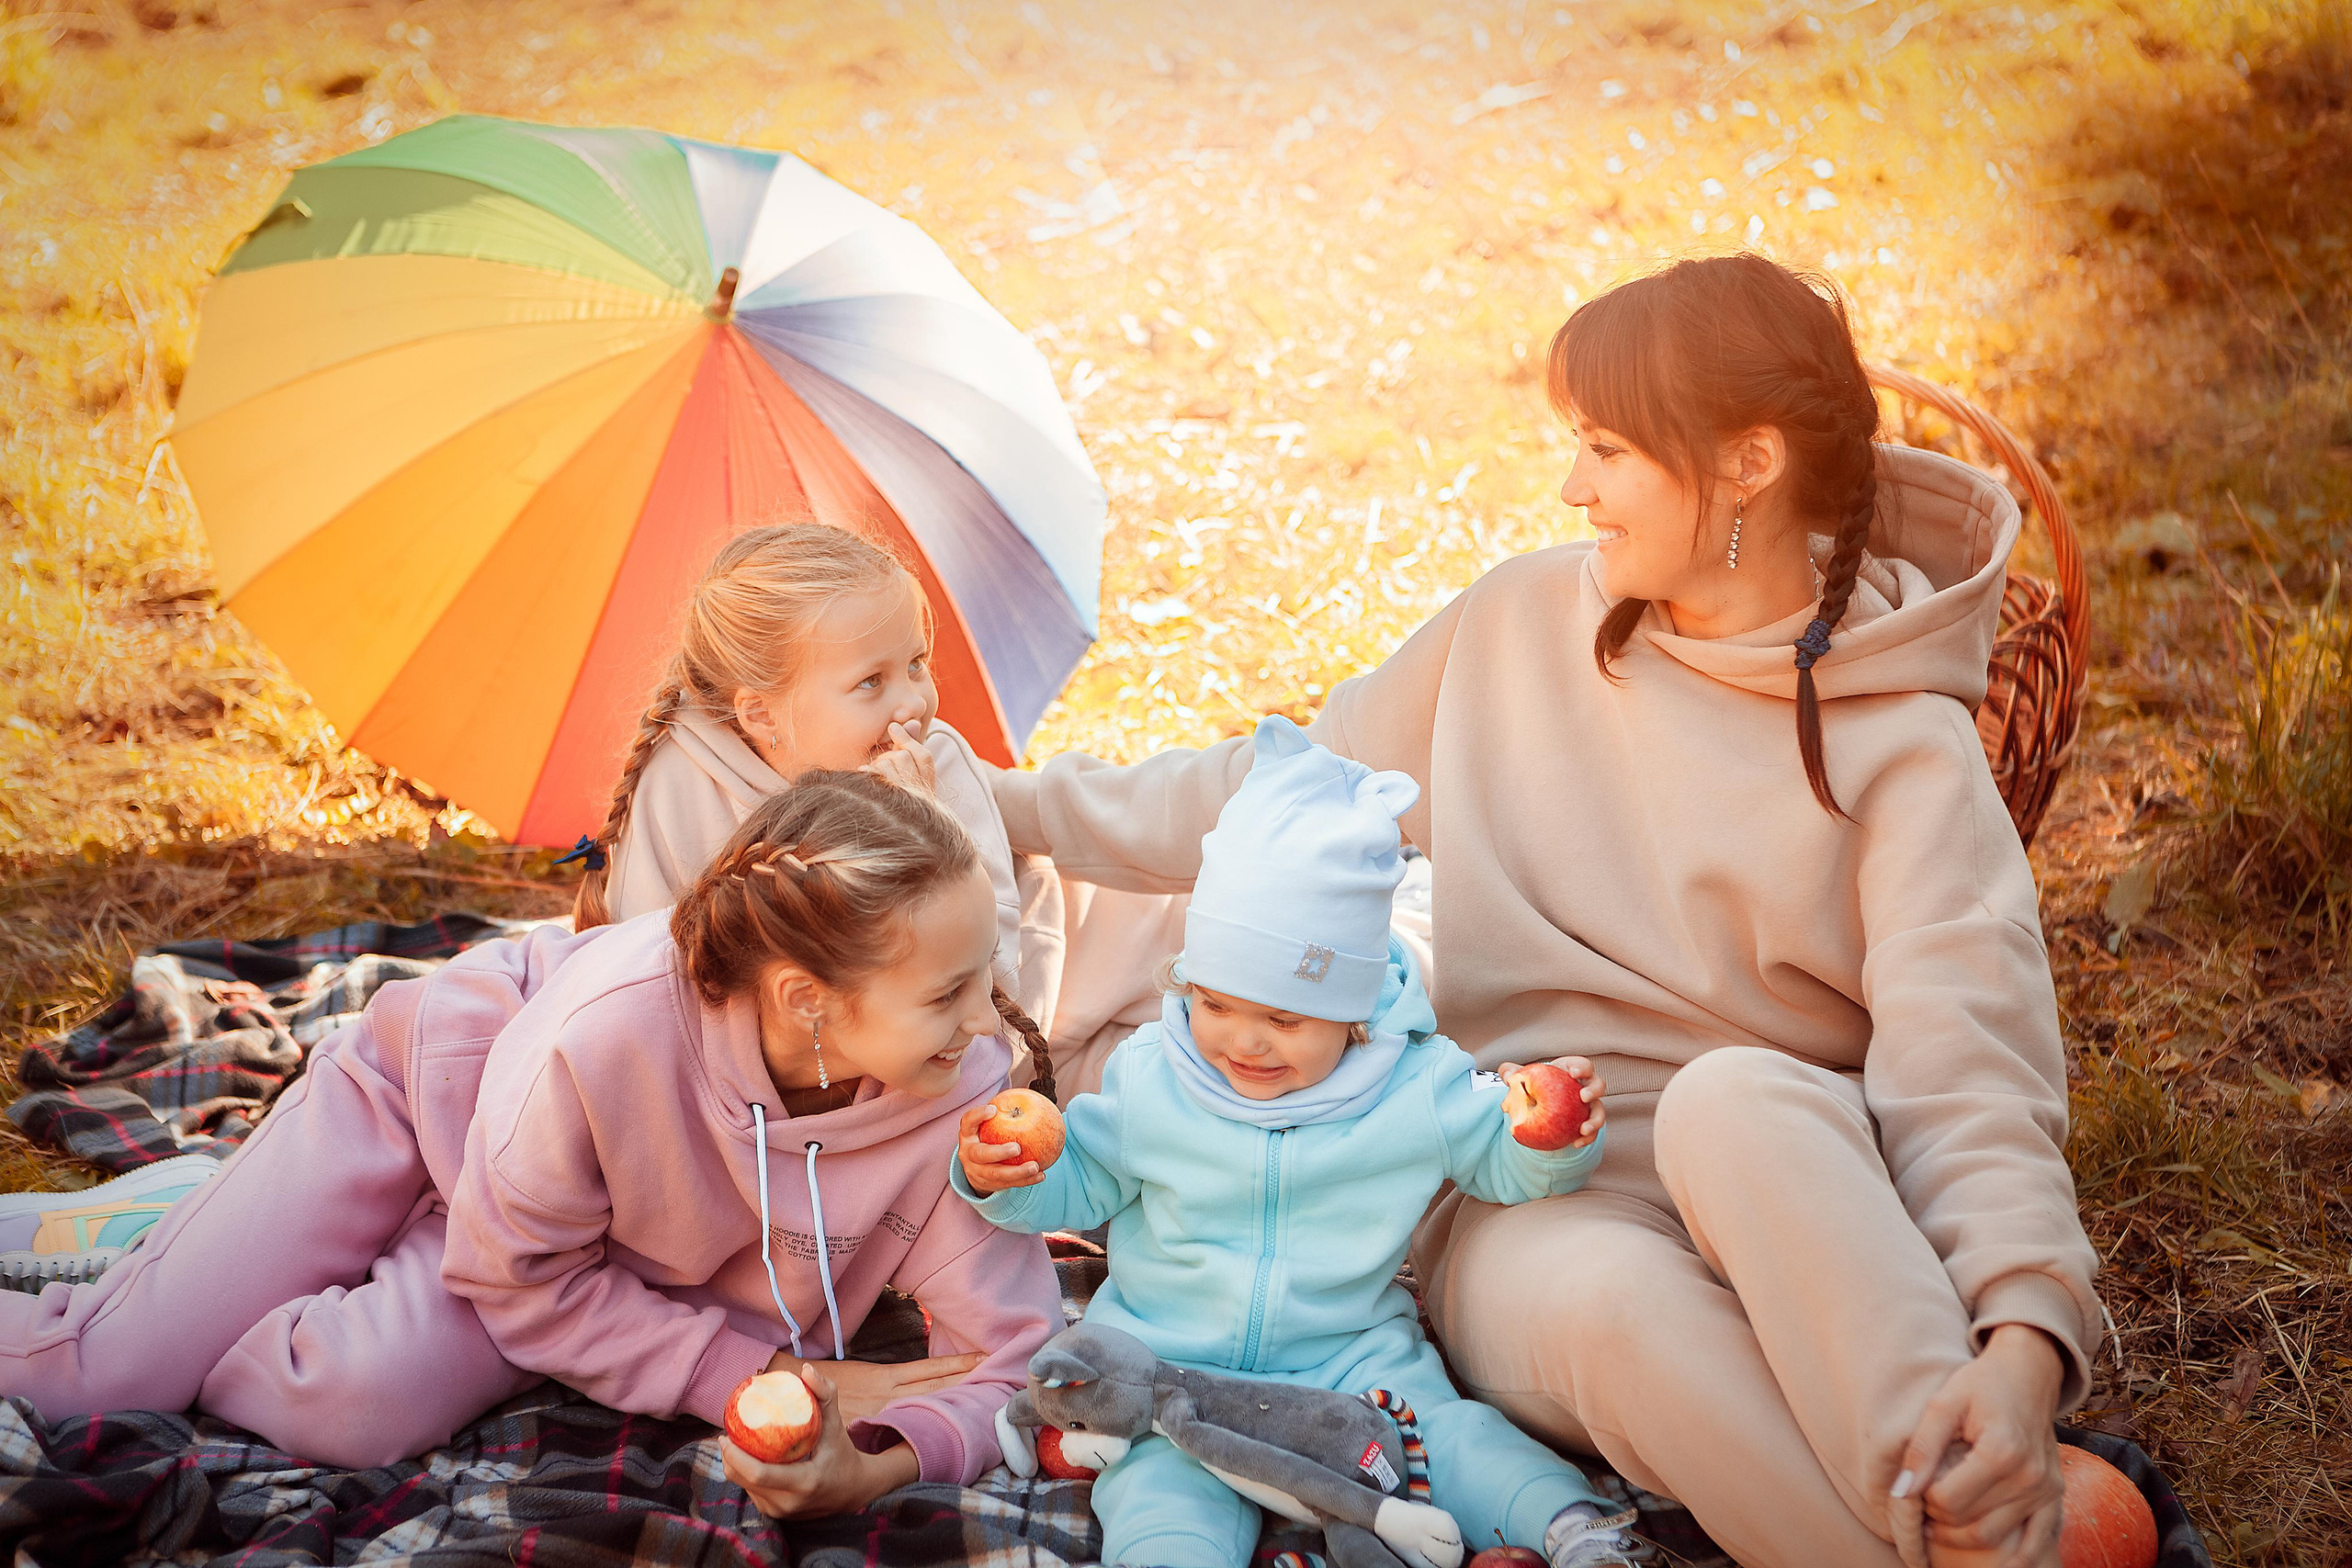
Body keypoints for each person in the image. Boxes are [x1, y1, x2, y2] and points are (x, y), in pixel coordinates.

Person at [981, 255, 2101, 1568]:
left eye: (1609, 448)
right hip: (1530, 1186)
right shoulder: (1517, 625)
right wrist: (1015, 806)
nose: (1575, 485)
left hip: (1799, 1181)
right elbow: (1277, 788)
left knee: (1735, 1097)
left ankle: (1970, 1455)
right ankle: (1960, 1533)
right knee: (1613, 1307)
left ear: (1747, 463)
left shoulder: (1907, 743)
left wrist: (2022, 1347)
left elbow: (1972, 1063)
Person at [0, 773, 1062, 1517]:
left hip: (569, 1253)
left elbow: (1013, 1361)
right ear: (807, 1000)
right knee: (95, 1379)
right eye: (947, 993)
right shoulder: (606, 1034)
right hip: (427, 1123)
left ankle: (198, 1232)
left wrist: (877, 1468)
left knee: (348, 1403)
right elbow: (519, 1281)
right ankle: (186, 1236)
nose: (988, 1023)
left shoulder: (953, 1101)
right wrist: (759, 1368)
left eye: (983, 976)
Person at [958, 716, 1640, 1568]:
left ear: (1355, 1012)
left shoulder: (1415, 1084)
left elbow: (1500, 1162)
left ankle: (1577, 1531)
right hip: (1173, 1367)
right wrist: (1008, 1176)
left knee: (1454, 1436)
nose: (1243, 1041)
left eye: (1283, 1017)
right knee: (1161, 1483)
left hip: (1352, 1357)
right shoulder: (1152, 1075)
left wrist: (1553, 1139)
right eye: (1214, 1002)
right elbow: (1085, 1181)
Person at [569, 522, 1066, 1039]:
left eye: (917, 663)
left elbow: (990, 970)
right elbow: (642, 981)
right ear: (761, 714)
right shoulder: (678, 782)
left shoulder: (934, 757)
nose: (914, 703)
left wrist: (913, 824)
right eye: (871, 681)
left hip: (934, 1044)